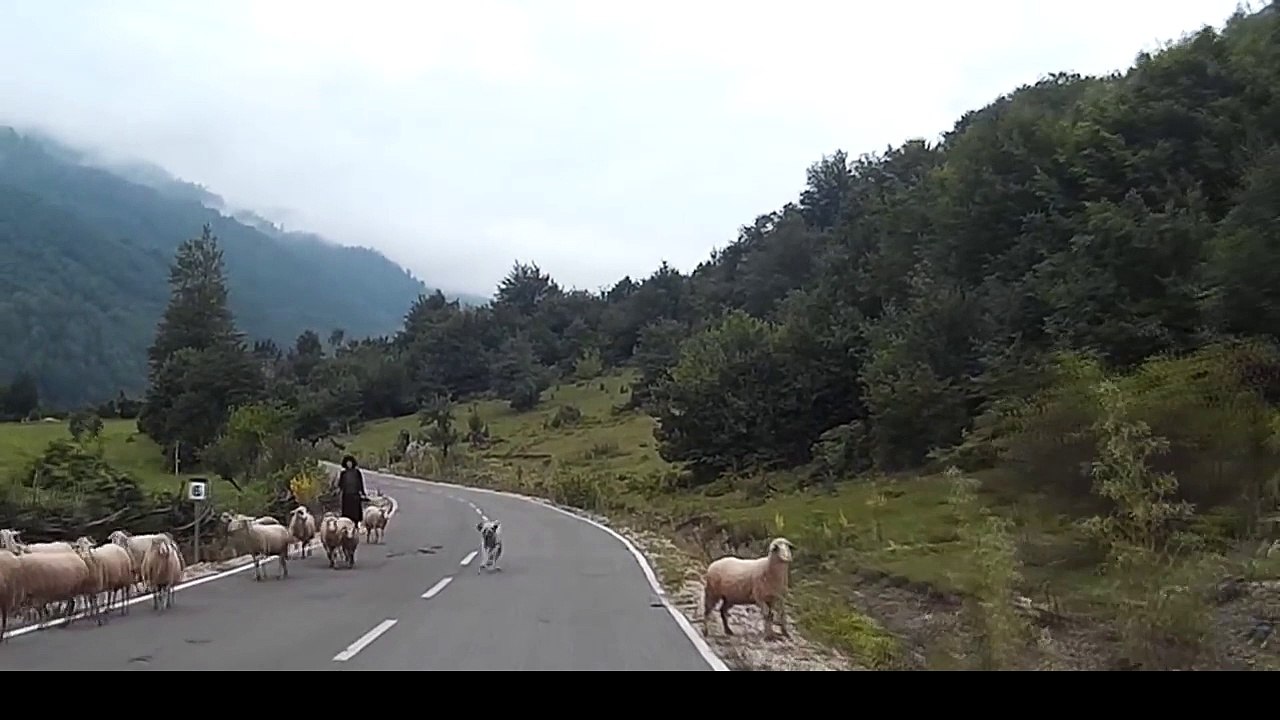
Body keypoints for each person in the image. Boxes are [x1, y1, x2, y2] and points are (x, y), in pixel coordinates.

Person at [336, 455, 369, 527]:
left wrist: (363, 493)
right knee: (347, 512)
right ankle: (347, 526)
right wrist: (338, 492)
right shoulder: (343, 473)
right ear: (345, 464)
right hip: (346, 495)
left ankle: (356, 524)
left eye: (350, 463)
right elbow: (340, 484)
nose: (349, 464)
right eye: (348, 463)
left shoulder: (357, 472)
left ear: (353, 463)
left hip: (355, 495)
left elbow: (360, 483)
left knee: (355, 512)